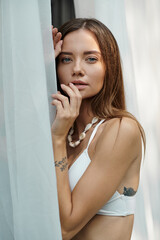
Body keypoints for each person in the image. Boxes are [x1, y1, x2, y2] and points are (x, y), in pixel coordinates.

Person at [51, 18, 145, 240]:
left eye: (91, 59)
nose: (77, 69)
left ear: (108, 66)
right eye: (66, 59)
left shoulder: (122, 130)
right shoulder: (61, 127)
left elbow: (65, 228)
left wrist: (56, 139)